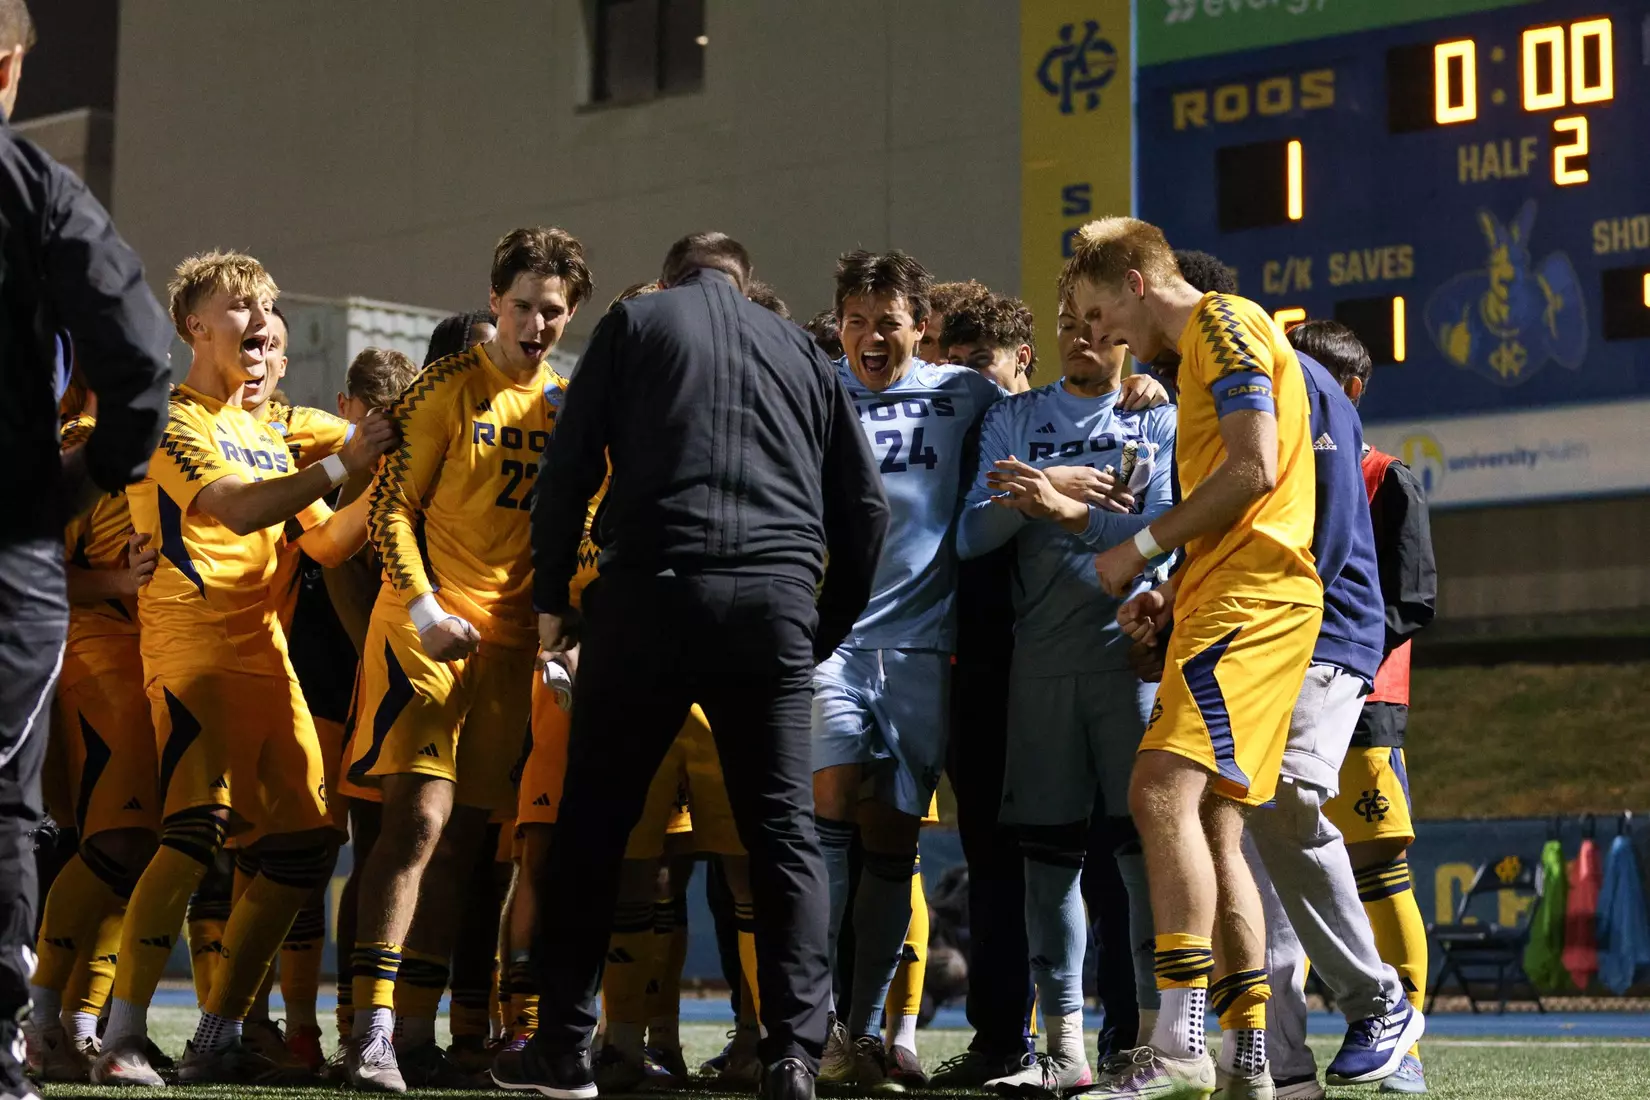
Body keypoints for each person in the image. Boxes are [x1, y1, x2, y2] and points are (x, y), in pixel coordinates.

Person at [517, 231, 889, 1100]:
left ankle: (567, 1048)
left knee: (595, 827)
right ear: (744, 281)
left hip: (650, 591)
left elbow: (568, 469)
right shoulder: (803, 349)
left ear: (673, 276)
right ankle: (794, 1053)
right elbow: (864, 507)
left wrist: (551, 602)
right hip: (772, 605)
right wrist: (821, 625)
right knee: (784, 837)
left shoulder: (637, 321)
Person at [89, 251, 395, 1086]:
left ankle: (218, 1028)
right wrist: (344, 464)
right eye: (240, 304)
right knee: (192, 839)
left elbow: (326, 541)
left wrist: (386, 483)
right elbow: (232, 506)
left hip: (267, 657)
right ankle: (117, 1036)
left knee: (302, 848)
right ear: (195, 324)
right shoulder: (171, 419)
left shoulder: (267, 428)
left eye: (267, 303)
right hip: (194, 653)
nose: (261, 317)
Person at [1071, 218, 1323, 1100]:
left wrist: (1136, 550)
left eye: (1099, 312)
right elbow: (1247, 493)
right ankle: (1245, 1059)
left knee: (1155, 791)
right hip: (1233, 599)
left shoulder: (1220, 323)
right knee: (1216, 829)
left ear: (1137, 283)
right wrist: (1175, 590)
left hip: (1249, 606)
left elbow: (1253, 472)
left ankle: (1175, 1047)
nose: (1098, 336)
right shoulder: (1206, 351)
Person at [342, 227, 590, 1092]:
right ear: (494, 301)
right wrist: (422, 604)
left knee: (467, 846)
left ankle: (415, 1034)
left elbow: (576, 535)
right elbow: (388, 514)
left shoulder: (567, 406)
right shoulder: (447, 385)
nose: (535, 323)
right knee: (416, 824)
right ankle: (368, 1030)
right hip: (425, 627)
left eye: (552, 310)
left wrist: (564, 639)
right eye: (522, 305)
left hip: (513, 648)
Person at [0, 5, 172, 1095]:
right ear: (9, 64)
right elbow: (136, 346)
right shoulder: (28, 184)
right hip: (7, 531)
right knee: (3, 800)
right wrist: (89, 473)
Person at [957, 283, 1177, 1096]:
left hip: (1126, 660)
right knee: (1046, 865)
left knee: (1142, 857)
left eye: (1097, 324)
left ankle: (1156, 1041)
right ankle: (1063, 1053)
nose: (1082, 338)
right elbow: (973, 532)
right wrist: (1065, 486)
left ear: (1123, 333)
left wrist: (1052, 501)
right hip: (1040, 666)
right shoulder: (1016, 416)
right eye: (1068, 326)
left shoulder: (1156, 416)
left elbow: (1158, 533)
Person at [808, 250, 1001, 1091]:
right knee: (826, 814)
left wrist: (1134, 392)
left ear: (920, 325)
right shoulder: (817, 393)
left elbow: (1039, 422)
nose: (869, 335)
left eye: (887, 320)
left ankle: (859, 1028)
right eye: (855, 319)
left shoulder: (966, 396)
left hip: (923, 649)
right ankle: (803, 1025)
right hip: (831, 645)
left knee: (891, 839)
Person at [1298, 320, 1437, 1096]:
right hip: (1281, 686)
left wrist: (1338, 658)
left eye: (1315, 381)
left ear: (1348, 392)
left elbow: (1412, 601)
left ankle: (1404, 1040)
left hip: (1364, 696)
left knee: (1380, 867)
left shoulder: (1388, 478)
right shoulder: (1289, 473)